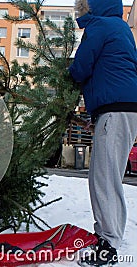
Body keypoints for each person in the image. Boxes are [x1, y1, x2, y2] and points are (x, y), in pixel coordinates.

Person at [69, 0, 137, 266]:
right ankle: (110, 237)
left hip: (117, 110)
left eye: (83, 4)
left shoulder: (100, 25)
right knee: (109, 176)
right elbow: (112, 72)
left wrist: (68, 73)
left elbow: (81, 67)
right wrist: (97, 116)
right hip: (121, 110)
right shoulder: (119, 27)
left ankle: (108, 244)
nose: (80, 9)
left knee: (104, 178)